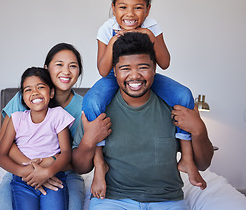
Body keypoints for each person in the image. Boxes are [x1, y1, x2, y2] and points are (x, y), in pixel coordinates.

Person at [82, 0, 206, 199]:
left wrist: (149, 35)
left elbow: (165, 63)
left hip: (148, 75)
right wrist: (113, 41)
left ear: (147, 9)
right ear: (113, 8)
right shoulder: (106, 29)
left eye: (137, 8)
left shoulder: (151, 26)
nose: (130, 14)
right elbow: (102, 70)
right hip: (114, 77)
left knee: (184, 94)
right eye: (122, 7)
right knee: (90, 101)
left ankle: (186, 158)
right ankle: (100, 164)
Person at [73, 32, 214, 210]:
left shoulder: (175, 106)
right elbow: (79, 168)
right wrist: (89, 141)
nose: (135, 76)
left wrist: (200, 131)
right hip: (112, 199)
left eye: (143, 67)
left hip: (167, 199)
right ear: (114, 71)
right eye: (125, 69)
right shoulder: (98, 109)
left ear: (154, 68)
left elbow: (203, 164)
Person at [0, 43, 109, 210]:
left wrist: (49, 167)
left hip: (64, 173)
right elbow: (5, 143)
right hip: (22, 171)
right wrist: (33, 169)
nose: (66, 71)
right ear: (46, 68)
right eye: (59, 64)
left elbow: (79, 164)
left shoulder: (83, 107)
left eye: (73, 66)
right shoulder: (24, 97)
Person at [0, 67, 74, 209]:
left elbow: (66, 153)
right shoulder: (16, 119)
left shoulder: (58, 115)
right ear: (23, 97)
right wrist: (24, 172)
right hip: (23, 180)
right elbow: (1, 156)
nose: (35, 93)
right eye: (28, 89)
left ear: (51, 92)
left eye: (40, 87)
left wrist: (47, 172)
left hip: (54, 176)